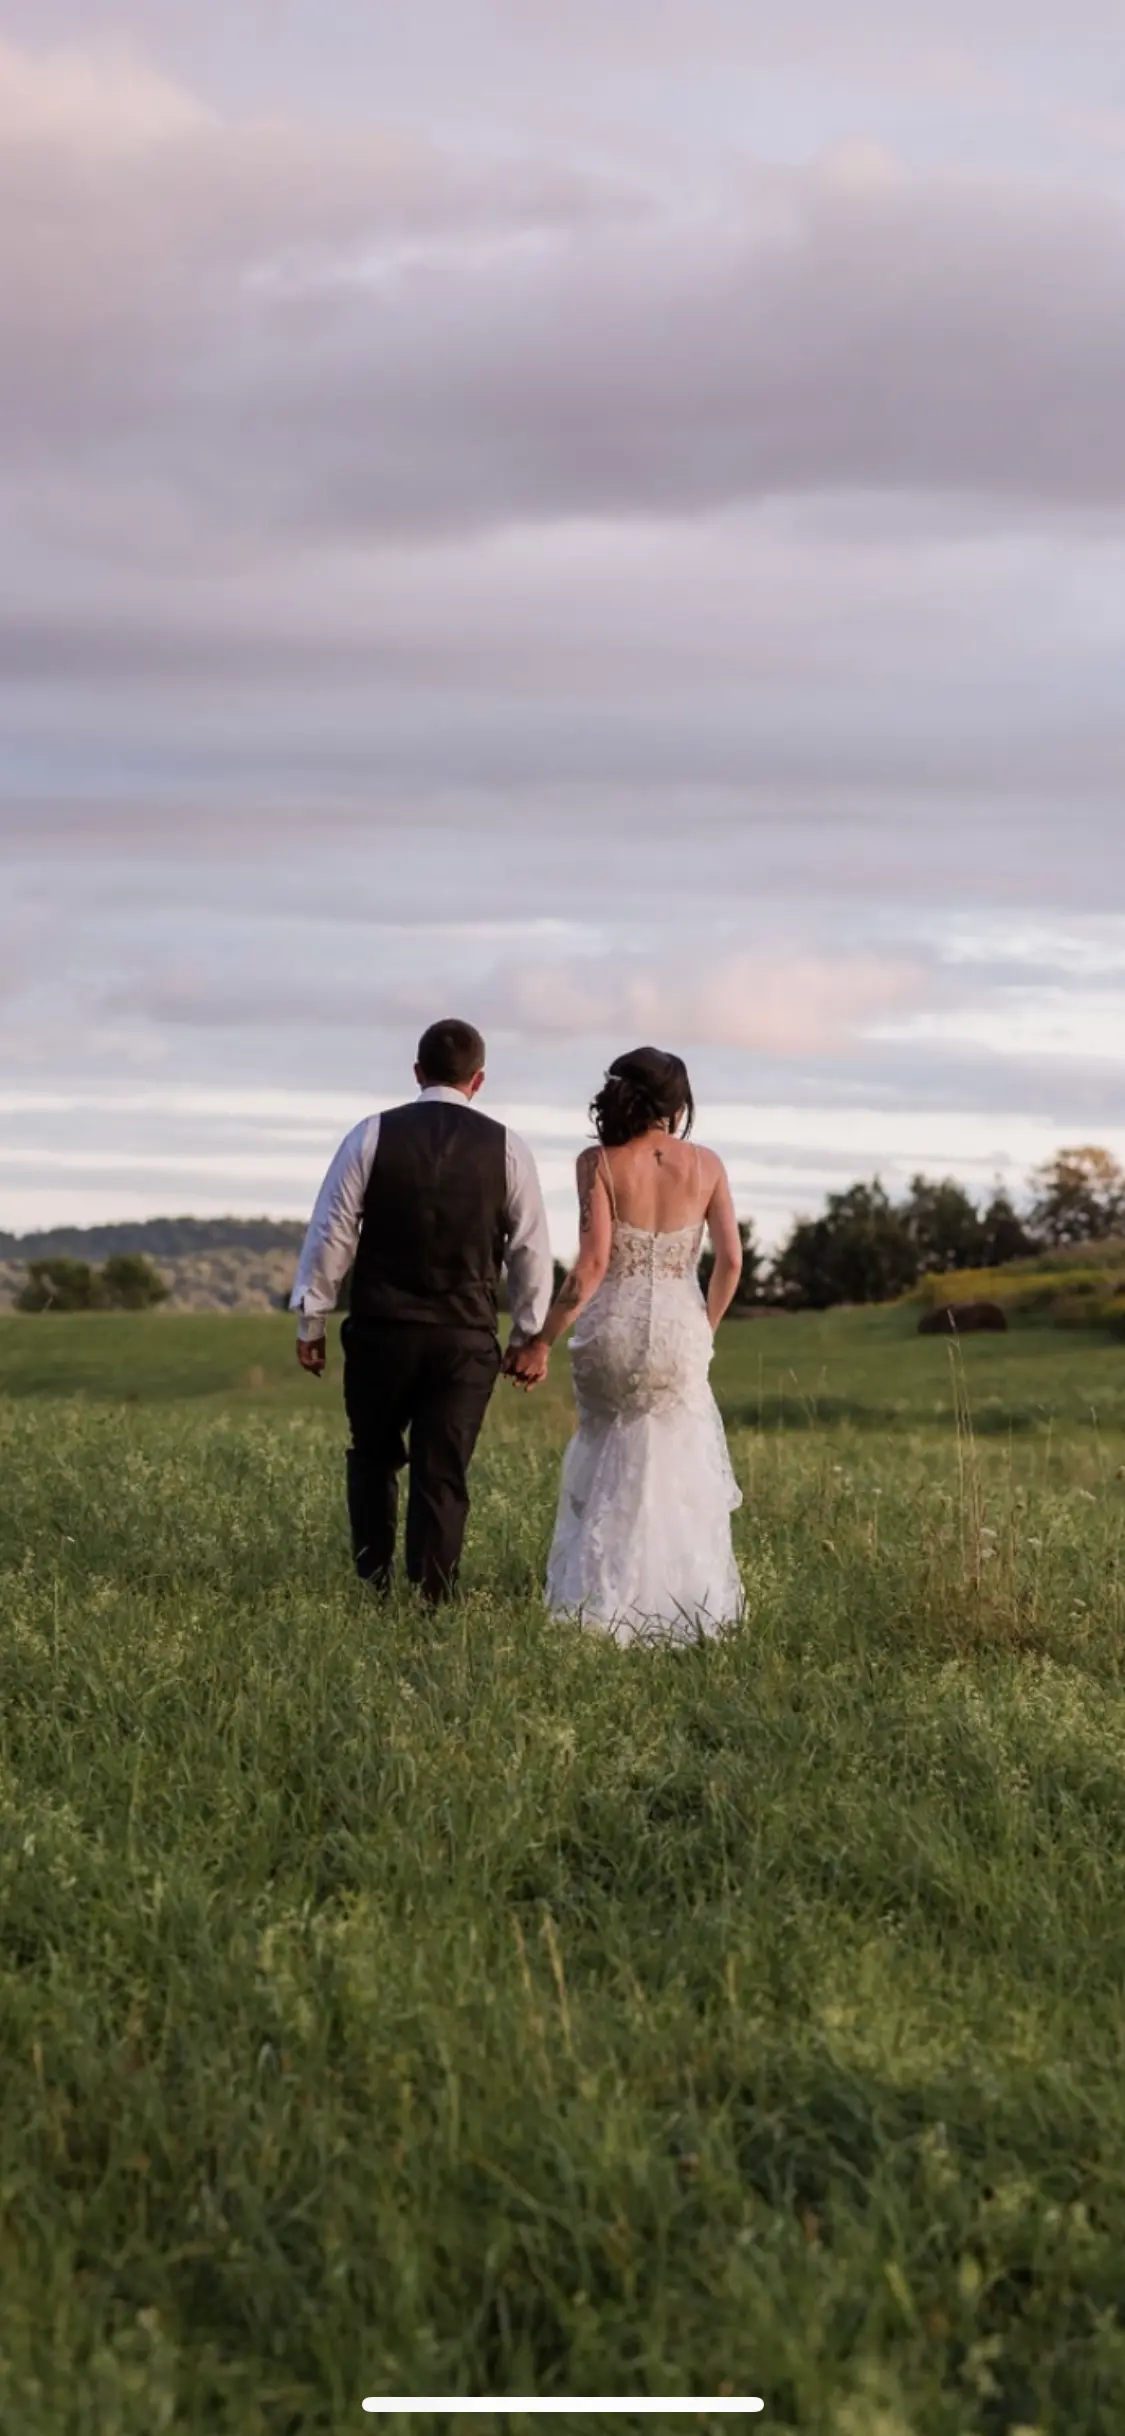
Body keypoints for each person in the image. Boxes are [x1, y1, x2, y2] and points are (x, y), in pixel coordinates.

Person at [292, 1019, 552, 1602]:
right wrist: (530, 1335)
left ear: (417, 1073)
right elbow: (531, 1247)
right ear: (478, 1080)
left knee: (373, 1458)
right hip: (465, 1337)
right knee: (444, 1471)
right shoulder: (509, 1148)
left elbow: (331, 1233)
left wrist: (312, 1321)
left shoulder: (369, 1135)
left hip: (382, 1330)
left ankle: (373, 1585)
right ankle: (434, 1597)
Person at [506, 1047, 744, 1644]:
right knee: (674, 1462)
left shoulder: (600, 1163)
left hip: (612, 1331)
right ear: (678, 1104)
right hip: (680, 1334)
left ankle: (599, 1599)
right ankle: (684, 1606)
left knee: (609, 1454)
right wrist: (704, 1329)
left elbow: (590, 1267)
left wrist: (541, 1342)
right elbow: (731, 1262)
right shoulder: (708, 1165)